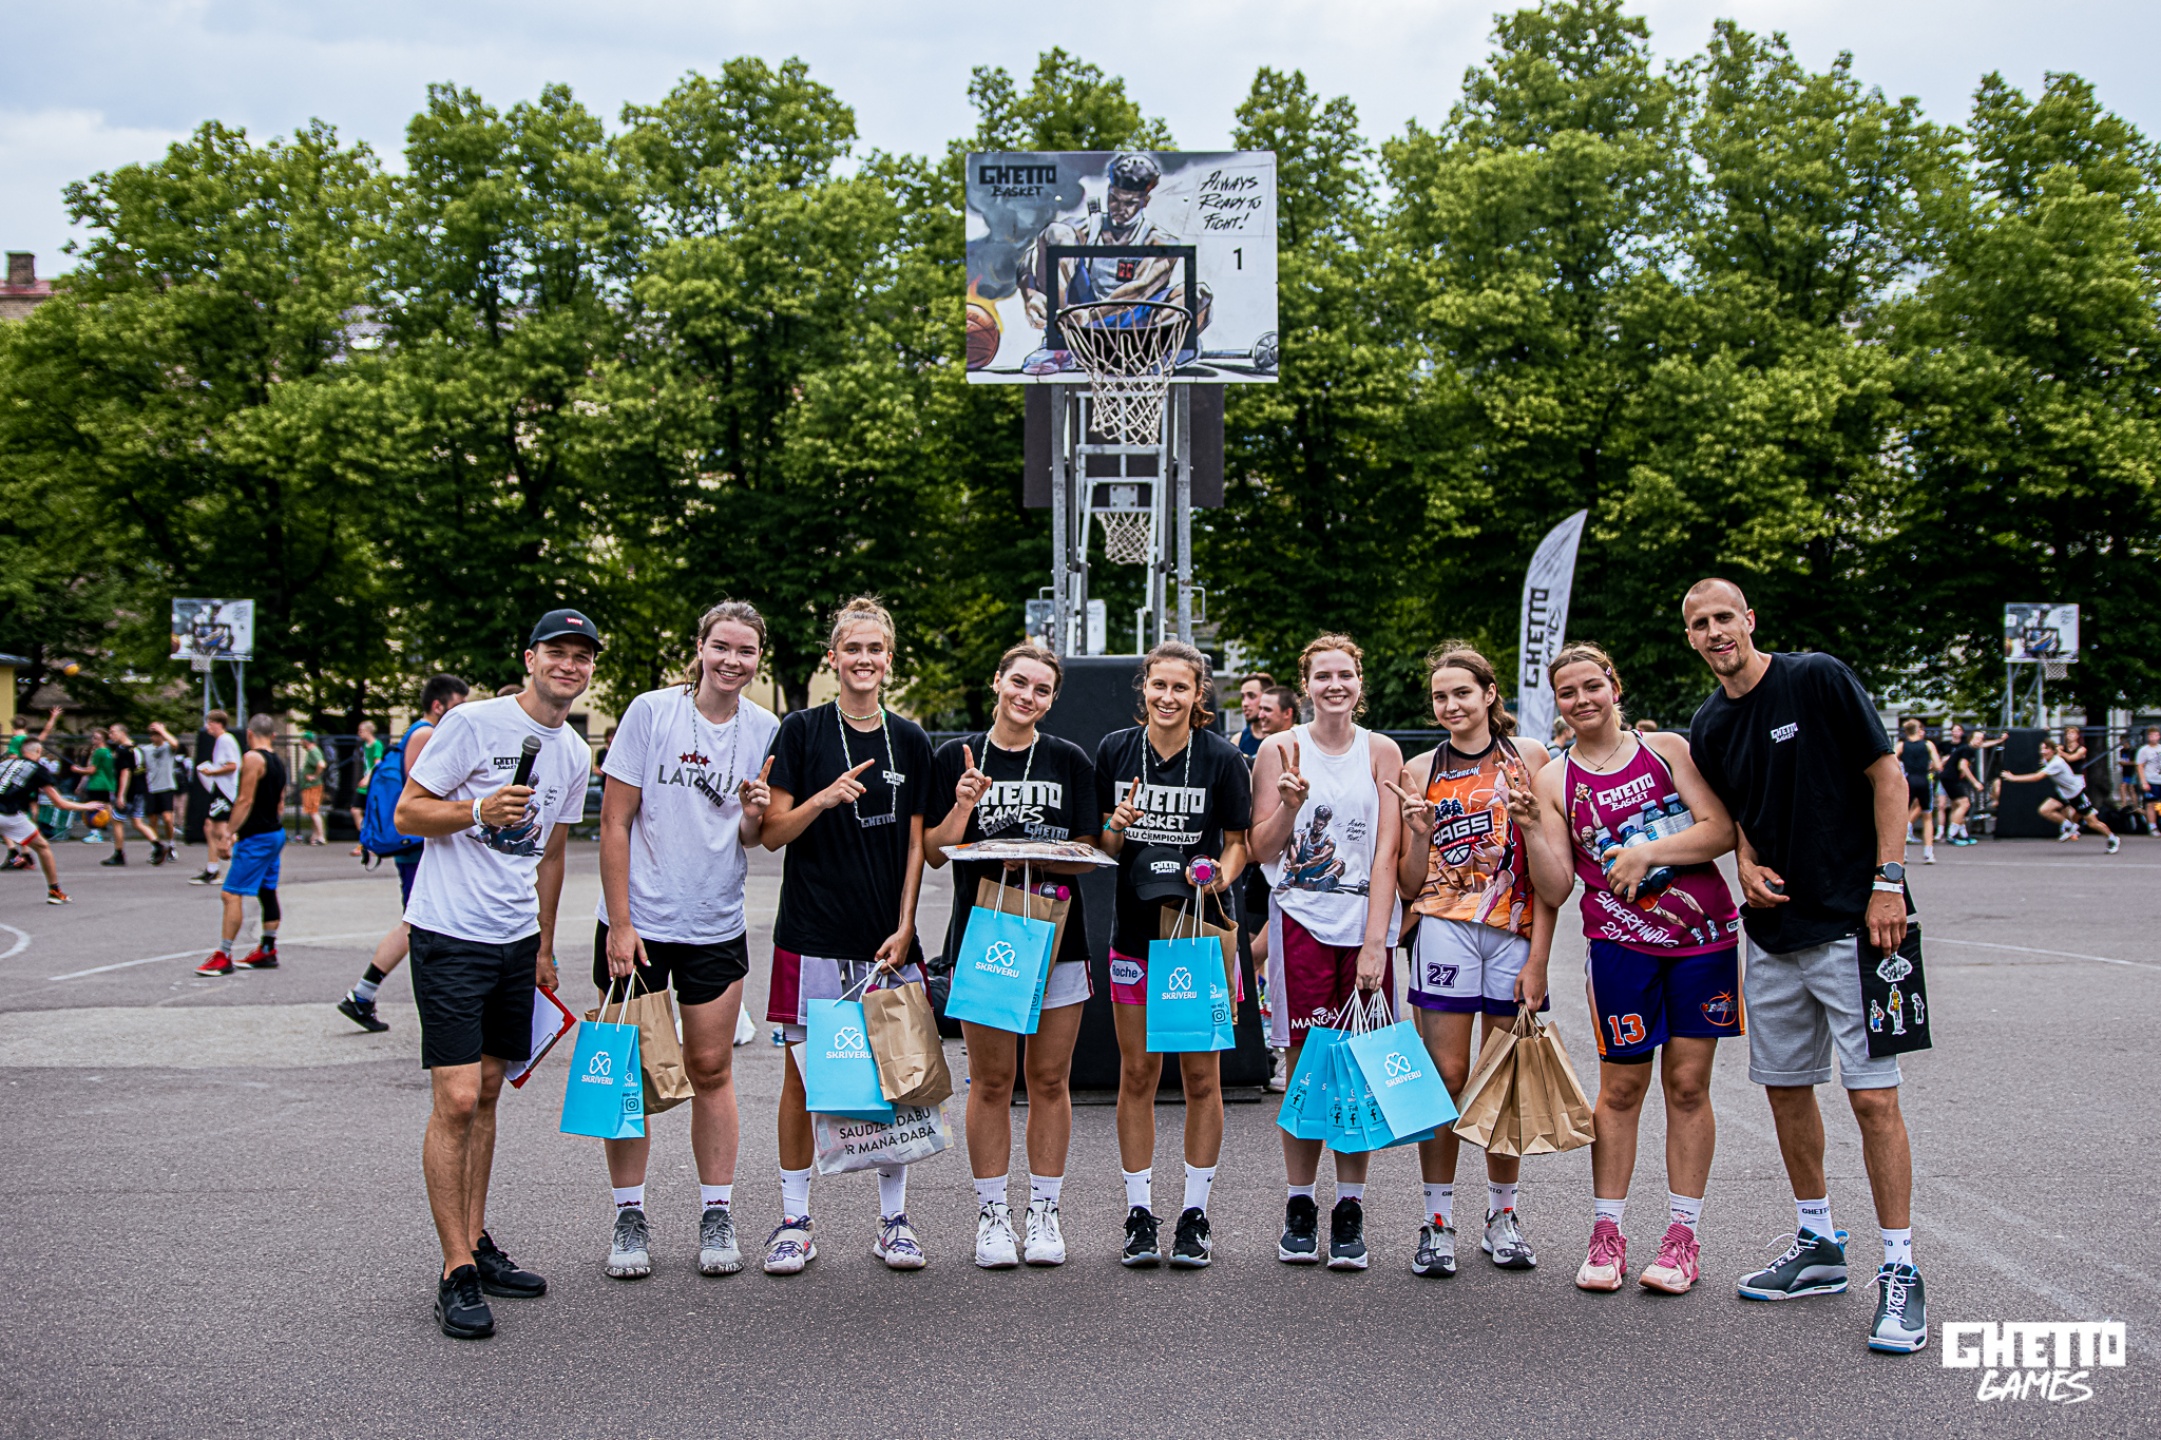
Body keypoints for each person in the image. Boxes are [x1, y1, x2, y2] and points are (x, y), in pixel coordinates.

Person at [1681, 577, 1928, 1355]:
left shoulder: (1816, 677)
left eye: (1724, 616)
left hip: (1860, 925)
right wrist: (1743, 863)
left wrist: (1888, 884)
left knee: (1873, 1100)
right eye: (1699, 623)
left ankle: (1900, 1268)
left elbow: (1887, 776)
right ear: (1689, 638)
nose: (1714, 631)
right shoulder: (1708, 723)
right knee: (1786, 1092)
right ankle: (1818, 1244)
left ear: (1748, 620)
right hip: (1773, 936)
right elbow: (1736, 816)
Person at [393, 609, 598, 1340]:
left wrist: (544, 946)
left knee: (486, 1093)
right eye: (557, 652)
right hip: (451, 934)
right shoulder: (473, 724)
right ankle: (453, 1271)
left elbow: (551, 853)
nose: (569, 665)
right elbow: (407, 813)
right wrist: (477, 808)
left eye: (581, 656)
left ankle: (475, 1243)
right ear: (530, 658)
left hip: (515, 941)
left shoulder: (573, 752)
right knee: (454, 1098)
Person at [1515, 644, 1744, 1296]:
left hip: (1701, 938)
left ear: (1614, 686)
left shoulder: (1665, 750)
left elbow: (1719, 830)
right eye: (1568, 692)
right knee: (1619, 1089)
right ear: (1558, 704)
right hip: (1620, 946)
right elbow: (1556, 887)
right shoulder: (1553, 779)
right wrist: (1531, 829)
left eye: (1592, 685)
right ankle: (1606, 1232)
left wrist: (1647, 853)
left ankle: (1681, 1237)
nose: (1582, 700)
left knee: (1688, 1086)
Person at [593, 604, 779, 1281]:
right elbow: (614, 822)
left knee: (710, 1068)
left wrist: (755, 813)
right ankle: (629, 1215)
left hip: (714, 923)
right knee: (630, 1076)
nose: (732, 660)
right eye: (721, 646)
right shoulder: (651, 713)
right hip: (639, 923)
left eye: (746, 651)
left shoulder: (765, 728)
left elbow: (751, 837)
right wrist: (620, 922)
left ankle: (716, 1212)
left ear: (759, 659)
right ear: (699, 648)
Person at [757, 597, 935, 1275]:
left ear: (889, 659)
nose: (863, 659)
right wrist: (822, 798)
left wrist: (907, 923)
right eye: (852, 649)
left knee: (896, 1081)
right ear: (833, 658)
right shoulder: (800, 730)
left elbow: (916, 845)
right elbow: (771, 834)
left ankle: (893, 1222)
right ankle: (794, 1222)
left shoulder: (910, 739)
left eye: (875, 649)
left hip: (885, 940)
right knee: (803, 1084)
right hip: (810, 934)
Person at [925, 643, 1101, 1270]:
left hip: (1058, 938)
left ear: (1051, 701)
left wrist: (1030, 854)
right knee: (992, 1081)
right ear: (997, 682)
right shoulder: (957, 756)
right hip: (986, 935)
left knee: (1049, 1080)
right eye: (1019, 682)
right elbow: (935, 851)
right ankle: (993, 1214)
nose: (1028, 696)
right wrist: (965, 805)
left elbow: (1088, 849)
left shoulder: (1069, 759)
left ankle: (1045, 1212)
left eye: (1042, 690)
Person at [1385, 643, 1556, 1279]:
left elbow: (1550, 870)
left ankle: (1503, 1215)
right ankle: (1437, 1220)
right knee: (1448, 1074)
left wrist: (1540, 958)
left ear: (1489, 694)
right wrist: (1421, 835)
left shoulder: (1530, 757)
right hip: (1444, 930)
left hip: (1513, 928)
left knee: (1502, 1077)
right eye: (1440, 696)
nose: (1451, 705)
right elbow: (1409, 883)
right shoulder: (1420, 767)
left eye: (1462, 692)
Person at [1096, 640, 1252, 1269]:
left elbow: (1240, 843)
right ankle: (1139, 1214)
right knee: (1138, 1074)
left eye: (1180, 687)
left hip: (1197, 935)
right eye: (1158, 685)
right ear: (1145, 688)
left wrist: (1217, 876)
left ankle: (1194, 1214)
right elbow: (1104, 849)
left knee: (1201, 1078)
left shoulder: (1221, 758)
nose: (1167, 697)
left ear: (1198, 694)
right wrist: (1117, 825)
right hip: (1134, 935)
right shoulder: (1115, 749)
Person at [1249, 635, 1402, 1270]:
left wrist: (1375, 942)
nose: (1334, 685)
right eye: (1322, 676)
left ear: (1359, 682)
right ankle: (1299, 1203)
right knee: (1305, 1067)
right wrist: (1289, 806)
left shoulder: (1382, 750)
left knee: (1358, 1069)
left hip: (1363, 929)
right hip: (1301, 925)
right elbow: (1260, 848)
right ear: (1306, 684)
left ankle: (1350, 1207)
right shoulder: (1278, 748)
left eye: (1345, 675)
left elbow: (1387, 853)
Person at [338, 676, 473, 1033]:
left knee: (416, 922)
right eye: (458, 704)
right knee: (417, 923)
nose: (463, 712)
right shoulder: (426, 734)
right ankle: (364, 994)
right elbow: (425, 794)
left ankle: (363, 994)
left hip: (414, 844)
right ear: (438, 705)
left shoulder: (419, 732)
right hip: (417, 845)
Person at [194, 715, 289, 976]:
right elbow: (280, 802)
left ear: (249, 734)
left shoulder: (253, 758)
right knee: (266, 890)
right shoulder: (278, 761)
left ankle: (224, 955)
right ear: (273, 735)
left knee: (230, 893)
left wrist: (228, 834)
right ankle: (267, 949)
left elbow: (244, 800)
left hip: (257, 837)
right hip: (274, 833)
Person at [0, 738, 101, 902]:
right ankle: (55, 891)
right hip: (9, 814)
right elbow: (60, 803)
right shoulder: (38, 769)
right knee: (43, 847)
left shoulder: (4, 764)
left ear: (22, 751)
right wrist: (86, 806)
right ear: (38, 751)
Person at [2000, 737, 2119, 853]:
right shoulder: (2047, 760)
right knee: (2044, 810)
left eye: (2046, 749)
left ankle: (2112, 839)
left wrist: (2014, 778)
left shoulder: (2056, 763)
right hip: (2063, 793)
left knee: (2092, 823)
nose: (2043, 751)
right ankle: (2069, 826)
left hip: (2076, 794)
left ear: (2052, 751)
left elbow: (2037, 777)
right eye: (2042, 749)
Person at [191, 711, 242, 885]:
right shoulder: (221, 741)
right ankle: (212, 869)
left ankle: (244, 856)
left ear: (218, 723)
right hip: (219, 789)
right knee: (209, 827)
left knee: (220, 830)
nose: (207, 727)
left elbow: (233, 765)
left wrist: (212, 771)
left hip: (225, 791)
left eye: (210, 723)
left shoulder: (225, 740)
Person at [135, 721, 183, 864]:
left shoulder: (168, 747)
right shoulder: (146, 749)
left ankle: (171, 844)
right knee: (153, 820)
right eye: (152, 734)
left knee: (168, 818)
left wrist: (162, 730)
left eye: (157, 734)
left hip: (166, 787)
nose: (155, 737)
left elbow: (175, 743)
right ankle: (156, 847)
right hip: (151, 788)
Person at [1896, 719, 1941, 865]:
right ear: (1919, 730)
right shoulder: (1928, 744)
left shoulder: (1902, 745)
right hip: (1923, 779)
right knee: (1927, 816)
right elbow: (1938, 765)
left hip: (1908, 780)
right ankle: (1928, 853)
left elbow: (1892, 761)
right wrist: (1930, 767)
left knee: (1903, 817)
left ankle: (1903, 853)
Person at [95, 724, 139, 866]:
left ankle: (119, 854)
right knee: (137, 822)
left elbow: (125, 772)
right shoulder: (136, 748)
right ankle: (157, 844)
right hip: (138, 790)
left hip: (127, 791)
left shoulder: (123, 750)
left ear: (122, 732)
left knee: (117, 821)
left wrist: (121, 795)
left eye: (113, 732)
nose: (110, 735)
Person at [1938, 723, 1980, 846]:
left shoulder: (1966, 748)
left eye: (1981, 739)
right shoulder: (1968, 749)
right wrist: (1975, 782)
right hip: (1950, 778)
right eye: (1977, 738)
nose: (1979, 741)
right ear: (1971, 739)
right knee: (1964, 804)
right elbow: (1963, 766)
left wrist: (1998, 740)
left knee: (1957, 806)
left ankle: (1963, 834)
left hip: (1948, 777)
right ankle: (1952, 835)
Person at [348, 719, 383, 857]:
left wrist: (368, 778)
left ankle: (370, 843)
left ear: (368, 731)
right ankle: (365, 839)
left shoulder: (376, 745)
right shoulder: (365, 745)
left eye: (361, 731)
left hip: (372, 784)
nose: (359, 733)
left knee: (371, 813)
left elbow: (377, 764)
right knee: (355, 810)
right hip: (365, 785)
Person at [297, 732, 328, 844]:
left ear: (306, 741)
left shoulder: (314, 751)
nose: (301, 742)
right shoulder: (312, 751)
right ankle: (314, 837)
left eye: (302, 740)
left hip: (312, 787)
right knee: (312, 811)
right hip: (310, 786)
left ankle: (320, 837)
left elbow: (321, 764)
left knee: (313, 812)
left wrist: (315, 776)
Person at [1235, 673, 1275, 760]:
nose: (1244, 703)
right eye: (1243, 697)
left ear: (1268, 697)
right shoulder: (1237, 741)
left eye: (1251, 696)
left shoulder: (1287, 736)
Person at [2137, 726, 2161, 834]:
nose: (2153, 737)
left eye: (2155, 735)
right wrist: (2143, 782)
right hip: (2151, 780)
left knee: (2159, 805)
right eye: (2151, 735)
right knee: (2151, 804)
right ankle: (2152, 826)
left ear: (2159, 736)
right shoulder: (2144, 750)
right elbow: (2140, 766)